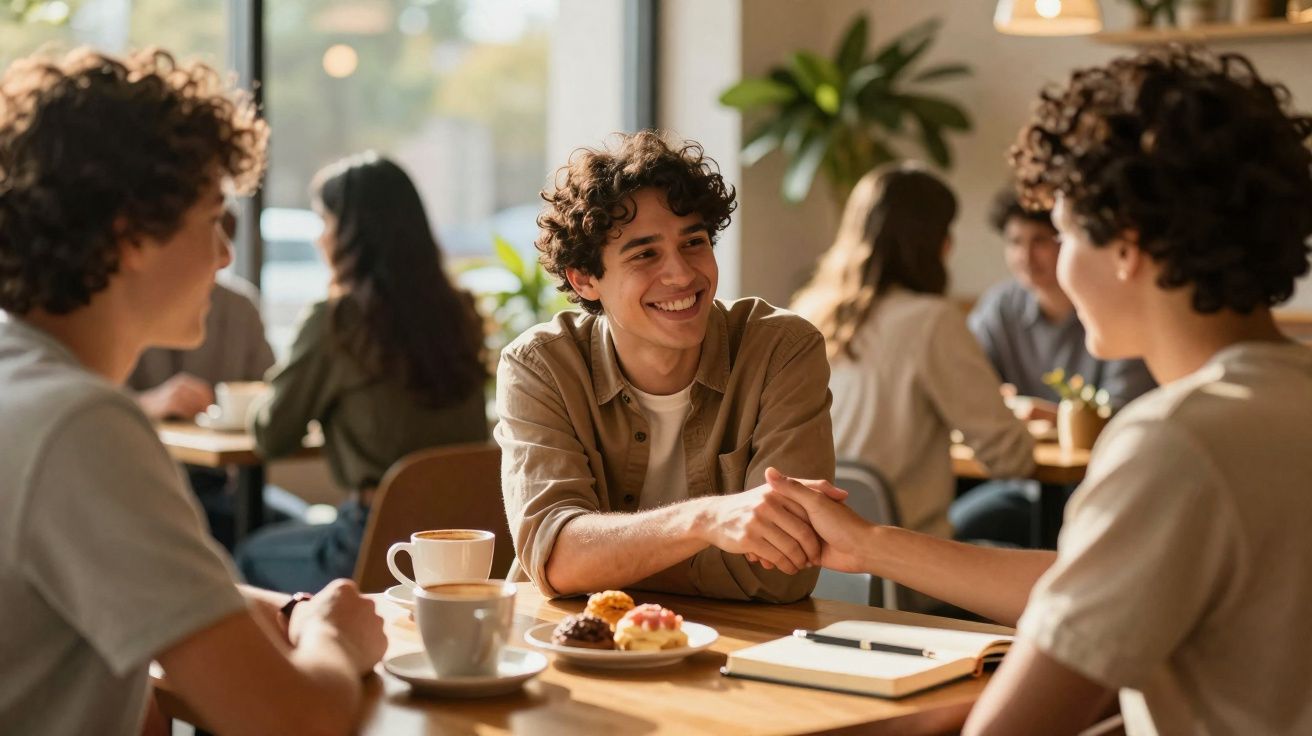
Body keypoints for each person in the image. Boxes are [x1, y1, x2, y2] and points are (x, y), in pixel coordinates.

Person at [766, 47, 1312, 735]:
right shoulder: (1283, 402)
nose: (1051, 265)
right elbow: (1090, 583)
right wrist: (871, 545)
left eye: (1062, 234)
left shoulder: (1175, 442)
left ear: (1126, 245)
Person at [0, 47, 385, 734]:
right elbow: (295, 722)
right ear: (132, 232)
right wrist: (337, 638)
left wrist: (293, 612)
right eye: (212, 218)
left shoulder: (23, 384)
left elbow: (122, 584)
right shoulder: (79, 423)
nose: (225, 254)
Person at [496, 131, 835, 603]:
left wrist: (605, 561)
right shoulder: (542, 366)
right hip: (576, 648)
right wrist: (707, 521)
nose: (681, 274)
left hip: (736, 651)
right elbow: (557, 558)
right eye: (644, 254)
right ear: (585, 278)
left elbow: (781, 572)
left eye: (694, 241)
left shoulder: (781, 350)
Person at [236, 152, 489, 594]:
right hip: (467, 538)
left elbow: (272, 435)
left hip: (375, 541)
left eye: (324, 222)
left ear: (351, 234)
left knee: (247, 553)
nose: (319, 240)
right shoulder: (458, 313)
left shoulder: (338, 322)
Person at [791, 164, 1035, 541]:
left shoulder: (809, 314)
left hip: (815, 559)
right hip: (899, 560)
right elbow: (1011, 458)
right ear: (936, 242)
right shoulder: (931, 321)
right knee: (1018, 515)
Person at [129, 207, 276, 549]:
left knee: (273, 527)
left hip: (222, 483)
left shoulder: (240, 308)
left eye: (226, 237)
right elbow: (95, 405)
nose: (225, 256)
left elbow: (272, 390)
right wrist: (151, 403)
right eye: (211, 233)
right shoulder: (128, 314)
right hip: (152, 483)